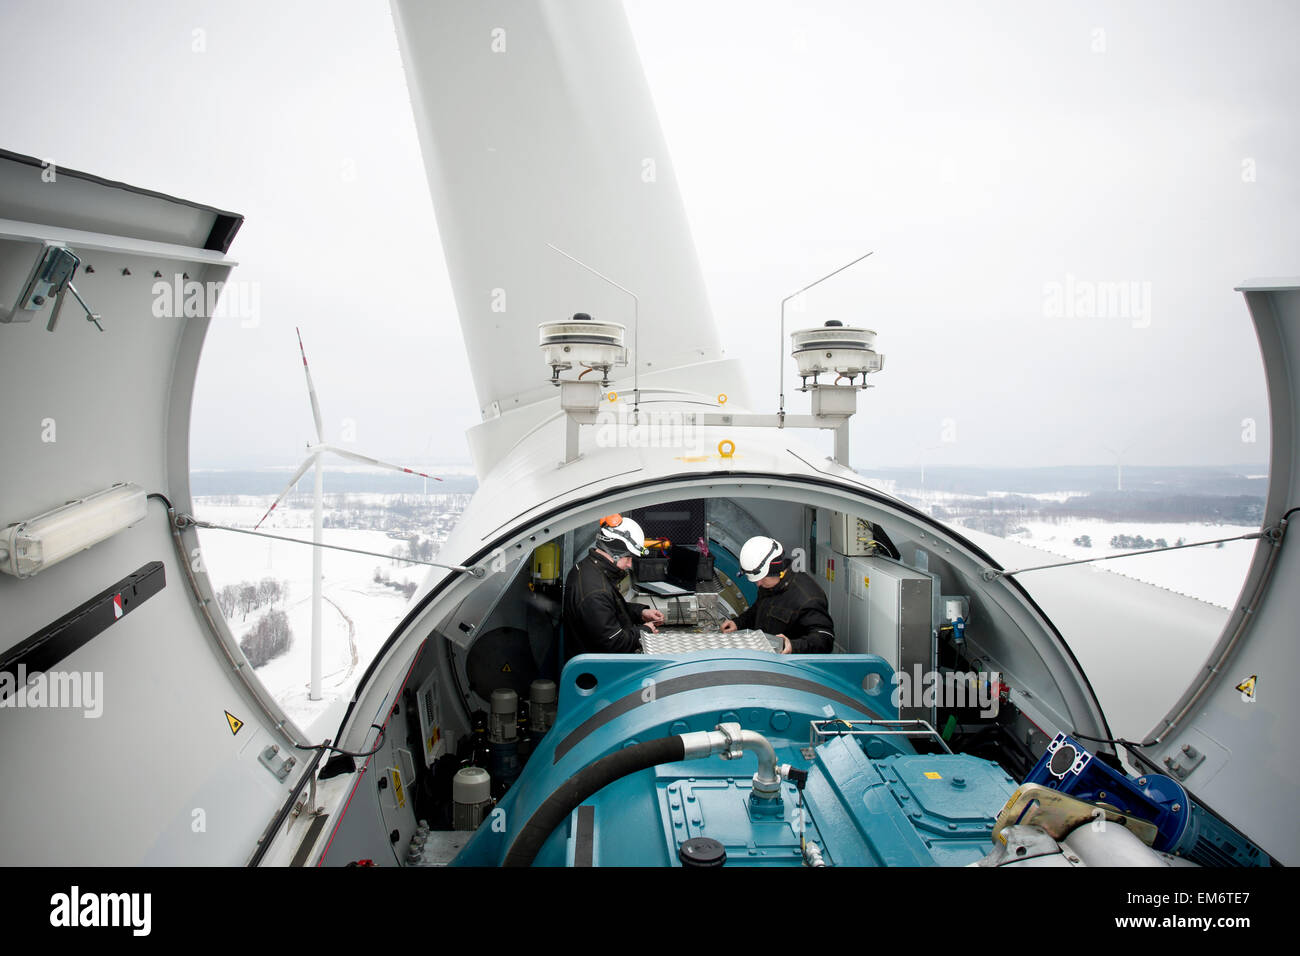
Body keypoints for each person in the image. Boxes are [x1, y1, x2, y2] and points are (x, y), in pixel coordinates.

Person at [562, 514, 666, 660]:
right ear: (615, 554)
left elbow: (610, 607)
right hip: (598, 674)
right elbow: (615, 644)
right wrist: (645, 631)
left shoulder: (588, 567)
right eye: (628, 558)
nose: (630, 564)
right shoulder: (595, 592)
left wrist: (641, 613)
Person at [720, 536, 834, 653]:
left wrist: (793, 646)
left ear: (775, 570)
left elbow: (825, 639)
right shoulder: (770, 584)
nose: (758, 584)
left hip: (790, 666)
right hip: (768, 658)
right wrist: (738, 623)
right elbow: (759, 609)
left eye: (761, 579)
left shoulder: (807, 598)